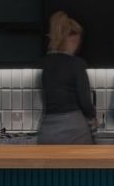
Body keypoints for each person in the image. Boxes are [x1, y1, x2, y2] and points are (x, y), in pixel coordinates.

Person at [37, 11, 95, 144]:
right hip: (74, 129)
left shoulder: (44, 63)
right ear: (72, 38)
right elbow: (84, 101)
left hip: (48, 130)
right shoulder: (76, 64)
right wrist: (92, 116)